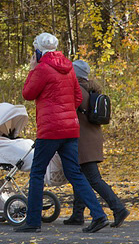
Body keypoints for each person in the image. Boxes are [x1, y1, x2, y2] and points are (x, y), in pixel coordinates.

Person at [15, 33, 109, 233]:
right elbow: (76, 97)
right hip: (70, 129)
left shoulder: (41, 69)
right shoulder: (68, 67)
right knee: (75, 173)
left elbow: (28, 94)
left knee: (37, 173)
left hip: (50, 130)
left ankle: (32, 221)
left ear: (39, 51)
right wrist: (64, 110)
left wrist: (32, 70)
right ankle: (99, 215)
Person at [61, 59, 130, 228]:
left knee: (93, 179)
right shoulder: (90, 90)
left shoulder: (77, 90)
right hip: (92, 138)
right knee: (80, 176)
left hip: (83, 141)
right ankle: (77, 214)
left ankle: (118, 208)